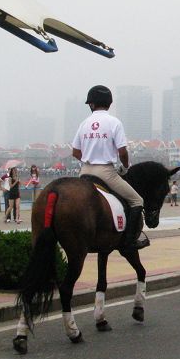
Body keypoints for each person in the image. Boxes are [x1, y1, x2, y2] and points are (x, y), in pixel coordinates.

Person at [72, 85, 148, 250]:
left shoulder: (84, 123)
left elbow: (75, 152)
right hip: (105, 172)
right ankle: (129, 241)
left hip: (84, 171)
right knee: (137, 201)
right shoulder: (114, 122)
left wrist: (87, 158)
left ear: (91, 104)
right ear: (109, 103)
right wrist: (126, 167)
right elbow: (122, 152)